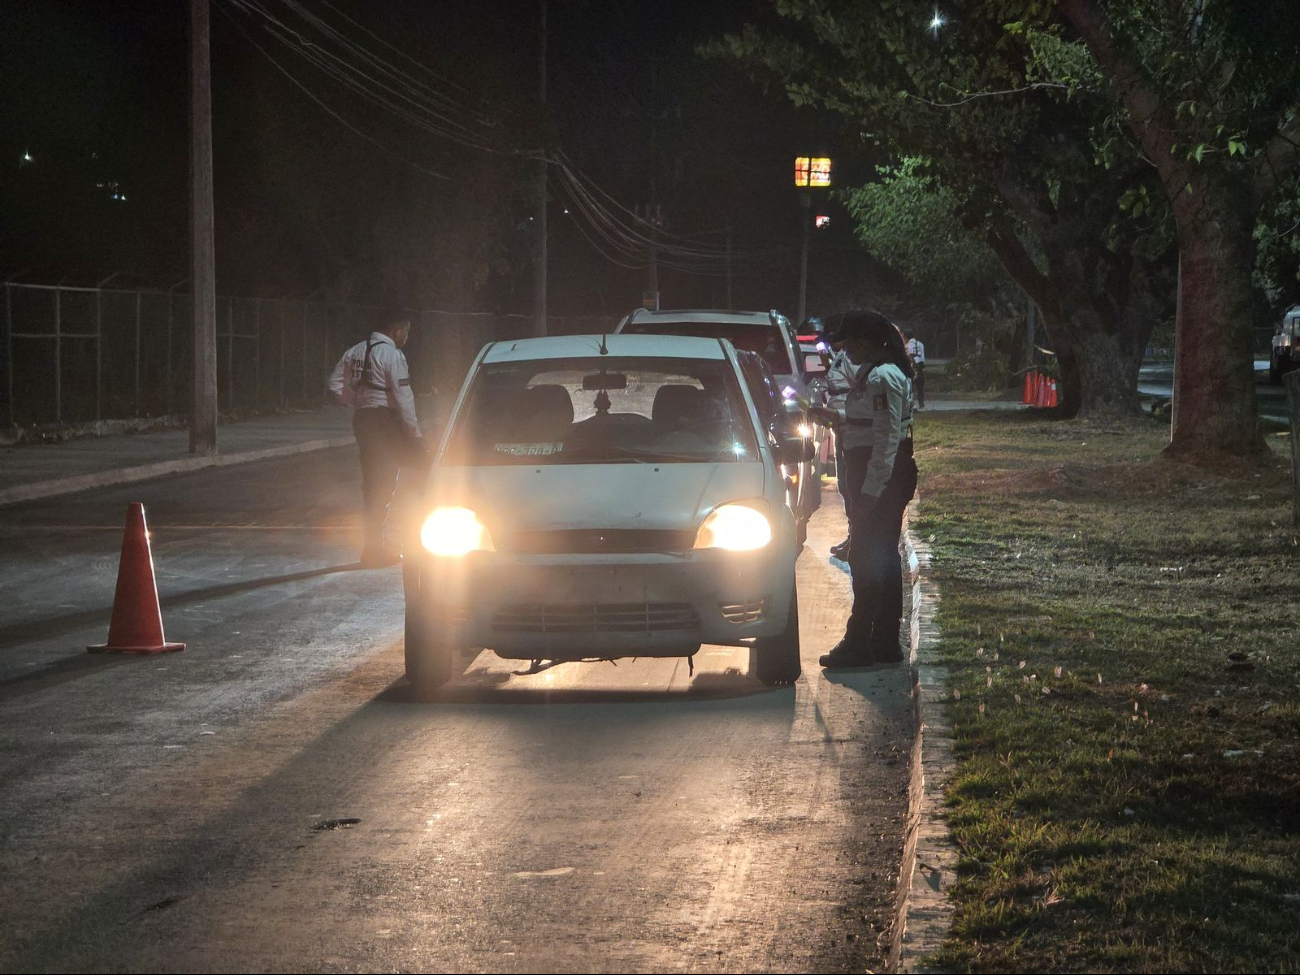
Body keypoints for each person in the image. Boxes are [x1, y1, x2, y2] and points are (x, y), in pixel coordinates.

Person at [817, 310, 918, 668]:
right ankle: (883, 642)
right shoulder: (874, 375)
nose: (848, 350)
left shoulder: (883, 376)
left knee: (866, 557)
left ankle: (860, 641)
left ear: (869, 342)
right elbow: (873, 423)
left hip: (881, 478)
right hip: (880, 475)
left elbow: (888, 438)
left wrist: (872, 491)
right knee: (881, 557)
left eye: (852, 343)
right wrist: (840, 419)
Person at [327, 311, 430, 567]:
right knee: (425, 471)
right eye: (406, 331)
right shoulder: (393, 355)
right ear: (396, 331)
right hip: (387, 422)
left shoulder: (355, 351)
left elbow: (334, 384)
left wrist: (358, 402)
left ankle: (375, 545)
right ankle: (410, 539)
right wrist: (415, 434)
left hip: (363, 421)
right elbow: (403, 397)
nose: (407, 336)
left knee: (374, 484)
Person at [823, 323, 859, 561]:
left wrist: (841, 416)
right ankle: (853, 537)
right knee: (845, 486)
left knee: (851, 485)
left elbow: (860, 391)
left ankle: (857, 540)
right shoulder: (842, 355)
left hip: (854, 427)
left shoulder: (854, 359)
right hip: (843, 425)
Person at [904, 332, 926, 408]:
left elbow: (909, 357)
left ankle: (910, 404)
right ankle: (921, 403)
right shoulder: (921, 344)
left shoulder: (906, 346)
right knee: (920, 387)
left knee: (910, 386)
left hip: (911, 367)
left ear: (906, 337)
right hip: (920, 366)